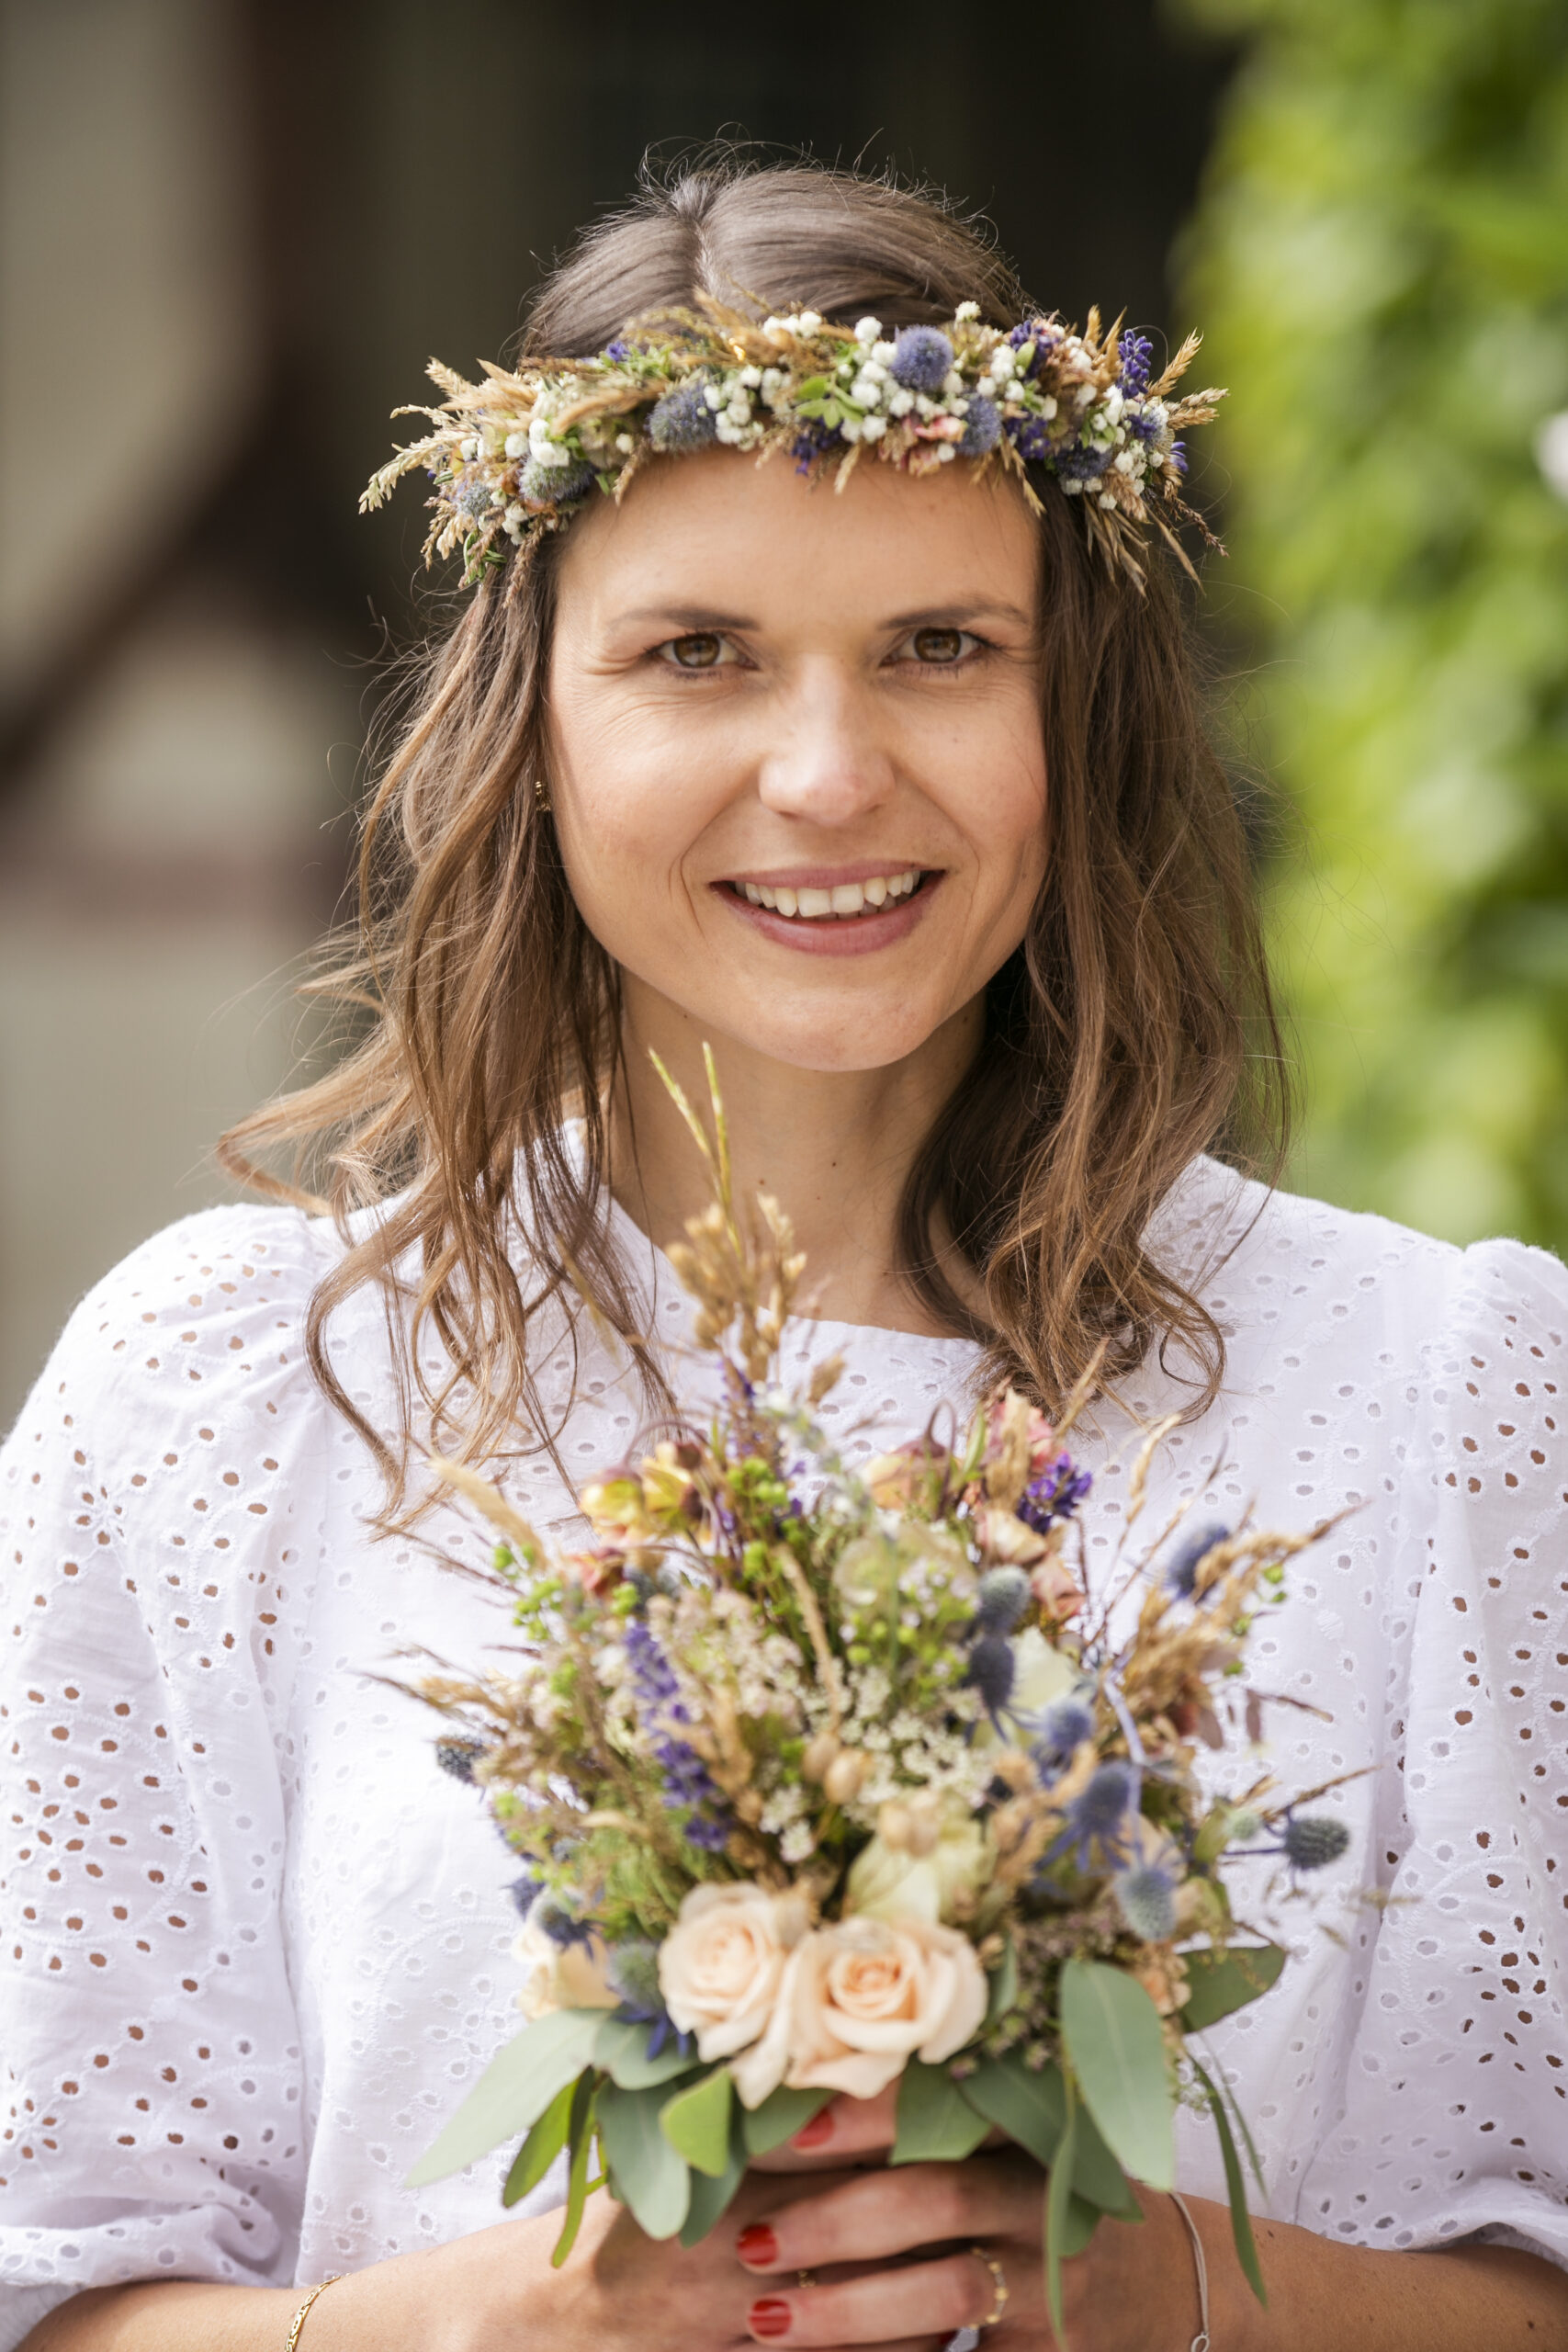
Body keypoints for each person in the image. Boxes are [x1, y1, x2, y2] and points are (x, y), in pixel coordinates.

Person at [3, 158, 1565, 2352]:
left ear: (1071, 715)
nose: (825, 772)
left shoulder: (1446, 1381)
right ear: (531, 730)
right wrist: (486, 2321)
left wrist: (1193, 2290)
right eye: (694, 657)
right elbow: (56, 2278)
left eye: (939, 647)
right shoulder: (218, 1387)